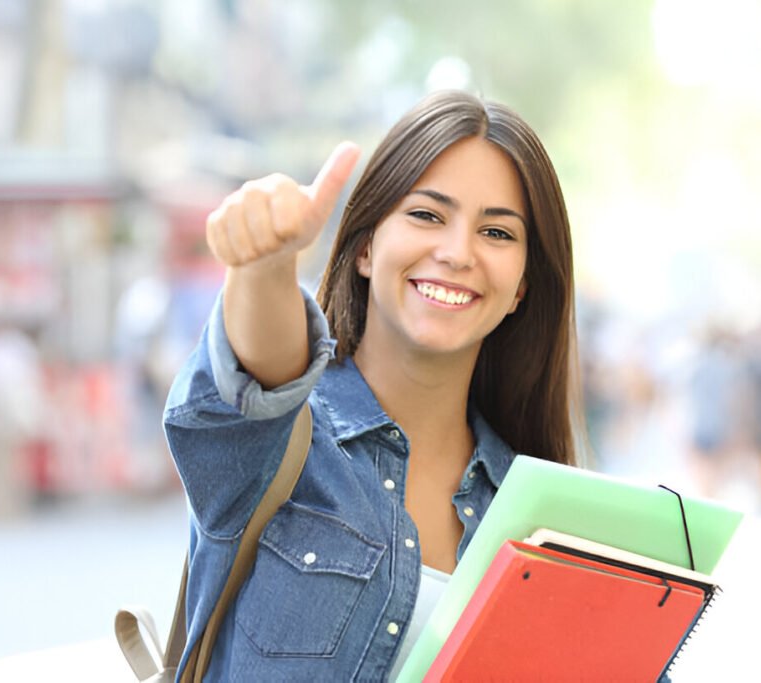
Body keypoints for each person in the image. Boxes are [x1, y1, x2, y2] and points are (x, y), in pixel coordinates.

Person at [164, 90, 581, 681]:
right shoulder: (283, 445)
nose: (457, 253)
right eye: (427, 215)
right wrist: (265, 264)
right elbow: (262, 376)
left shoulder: (538, 515)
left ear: (521, 288)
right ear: (365, 247)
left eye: (496, 233)